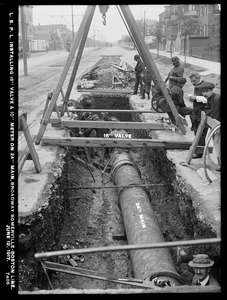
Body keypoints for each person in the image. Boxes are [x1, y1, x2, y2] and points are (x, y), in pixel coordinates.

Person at [188, 71, 209, 158]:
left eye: (193, 81)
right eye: (191, 82)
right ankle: (197, 150)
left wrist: (195, 97)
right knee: (197, 131)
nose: (192, 83)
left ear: (198, 78)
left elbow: (207, 99)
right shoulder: (197, 86)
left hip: (203, 112)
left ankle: (200, 152)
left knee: (202, 132)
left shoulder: (205, 86)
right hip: (197, 112)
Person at [201, 82, 221, 170]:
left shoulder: (216, 98)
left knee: (217, 143)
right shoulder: (209, 98)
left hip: (217, 123)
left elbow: (215, 115)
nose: (204, 94)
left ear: (211, 91)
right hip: (215, 123)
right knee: (216, 143)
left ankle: (219, 164)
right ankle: (219, 164)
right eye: (203, 92)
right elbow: (208, 109)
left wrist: (214, 127)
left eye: (207, 91)